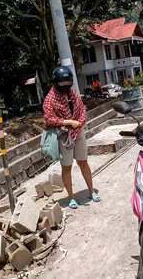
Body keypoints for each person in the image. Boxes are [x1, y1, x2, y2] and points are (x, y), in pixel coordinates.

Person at [43, 66, 101, 209]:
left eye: (68, 82)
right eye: (62, 82)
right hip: (63, 135)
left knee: (83, 162)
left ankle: (91, 191)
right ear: (56, 82)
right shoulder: (50, 98)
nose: (66, 85)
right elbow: (49, 119)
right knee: (67, 167)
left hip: (78, 131)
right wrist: (69, 122)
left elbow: (82, 110)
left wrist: (80, 122)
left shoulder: (73, 94)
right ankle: (71, 197)